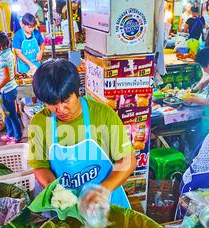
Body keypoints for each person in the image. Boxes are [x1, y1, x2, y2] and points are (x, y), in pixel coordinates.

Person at [28, 60, 136, 210]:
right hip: (67, 211)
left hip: (108, 206)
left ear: (77, 91)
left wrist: (102, 191)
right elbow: (40, 166)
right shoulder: (39, 123)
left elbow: (127, 160)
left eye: (66, 100)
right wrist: (58, 193)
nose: (61, 109)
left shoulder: (102, 115)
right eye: (52, 103)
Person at [0, 32, 22, 144]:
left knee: (12, 114)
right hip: (9, 88)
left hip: (7, 90)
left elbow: (6, 77)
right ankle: (10, 134)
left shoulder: (4, 57)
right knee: (7, 114)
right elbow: (10, 71)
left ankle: (17, 137)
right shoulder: (9, 53)